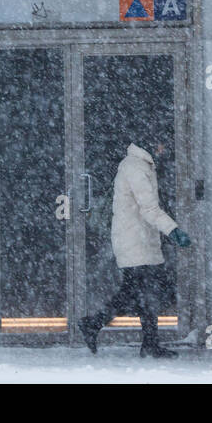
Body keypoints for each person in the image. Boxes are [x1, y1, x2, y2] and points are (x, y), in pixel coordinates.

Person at [80, 142, 191, 358]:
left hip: (140, 239)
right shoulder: (135, 167)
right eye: (160, 146)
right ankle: (95, 324)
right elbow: (149, 208)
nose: (163, 149)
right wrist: (173, 230)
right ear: (150, 146)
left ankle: (146, 342)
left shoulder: (141, 165)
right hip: (134, 241)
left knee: (145, 292)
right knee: (138, 292)